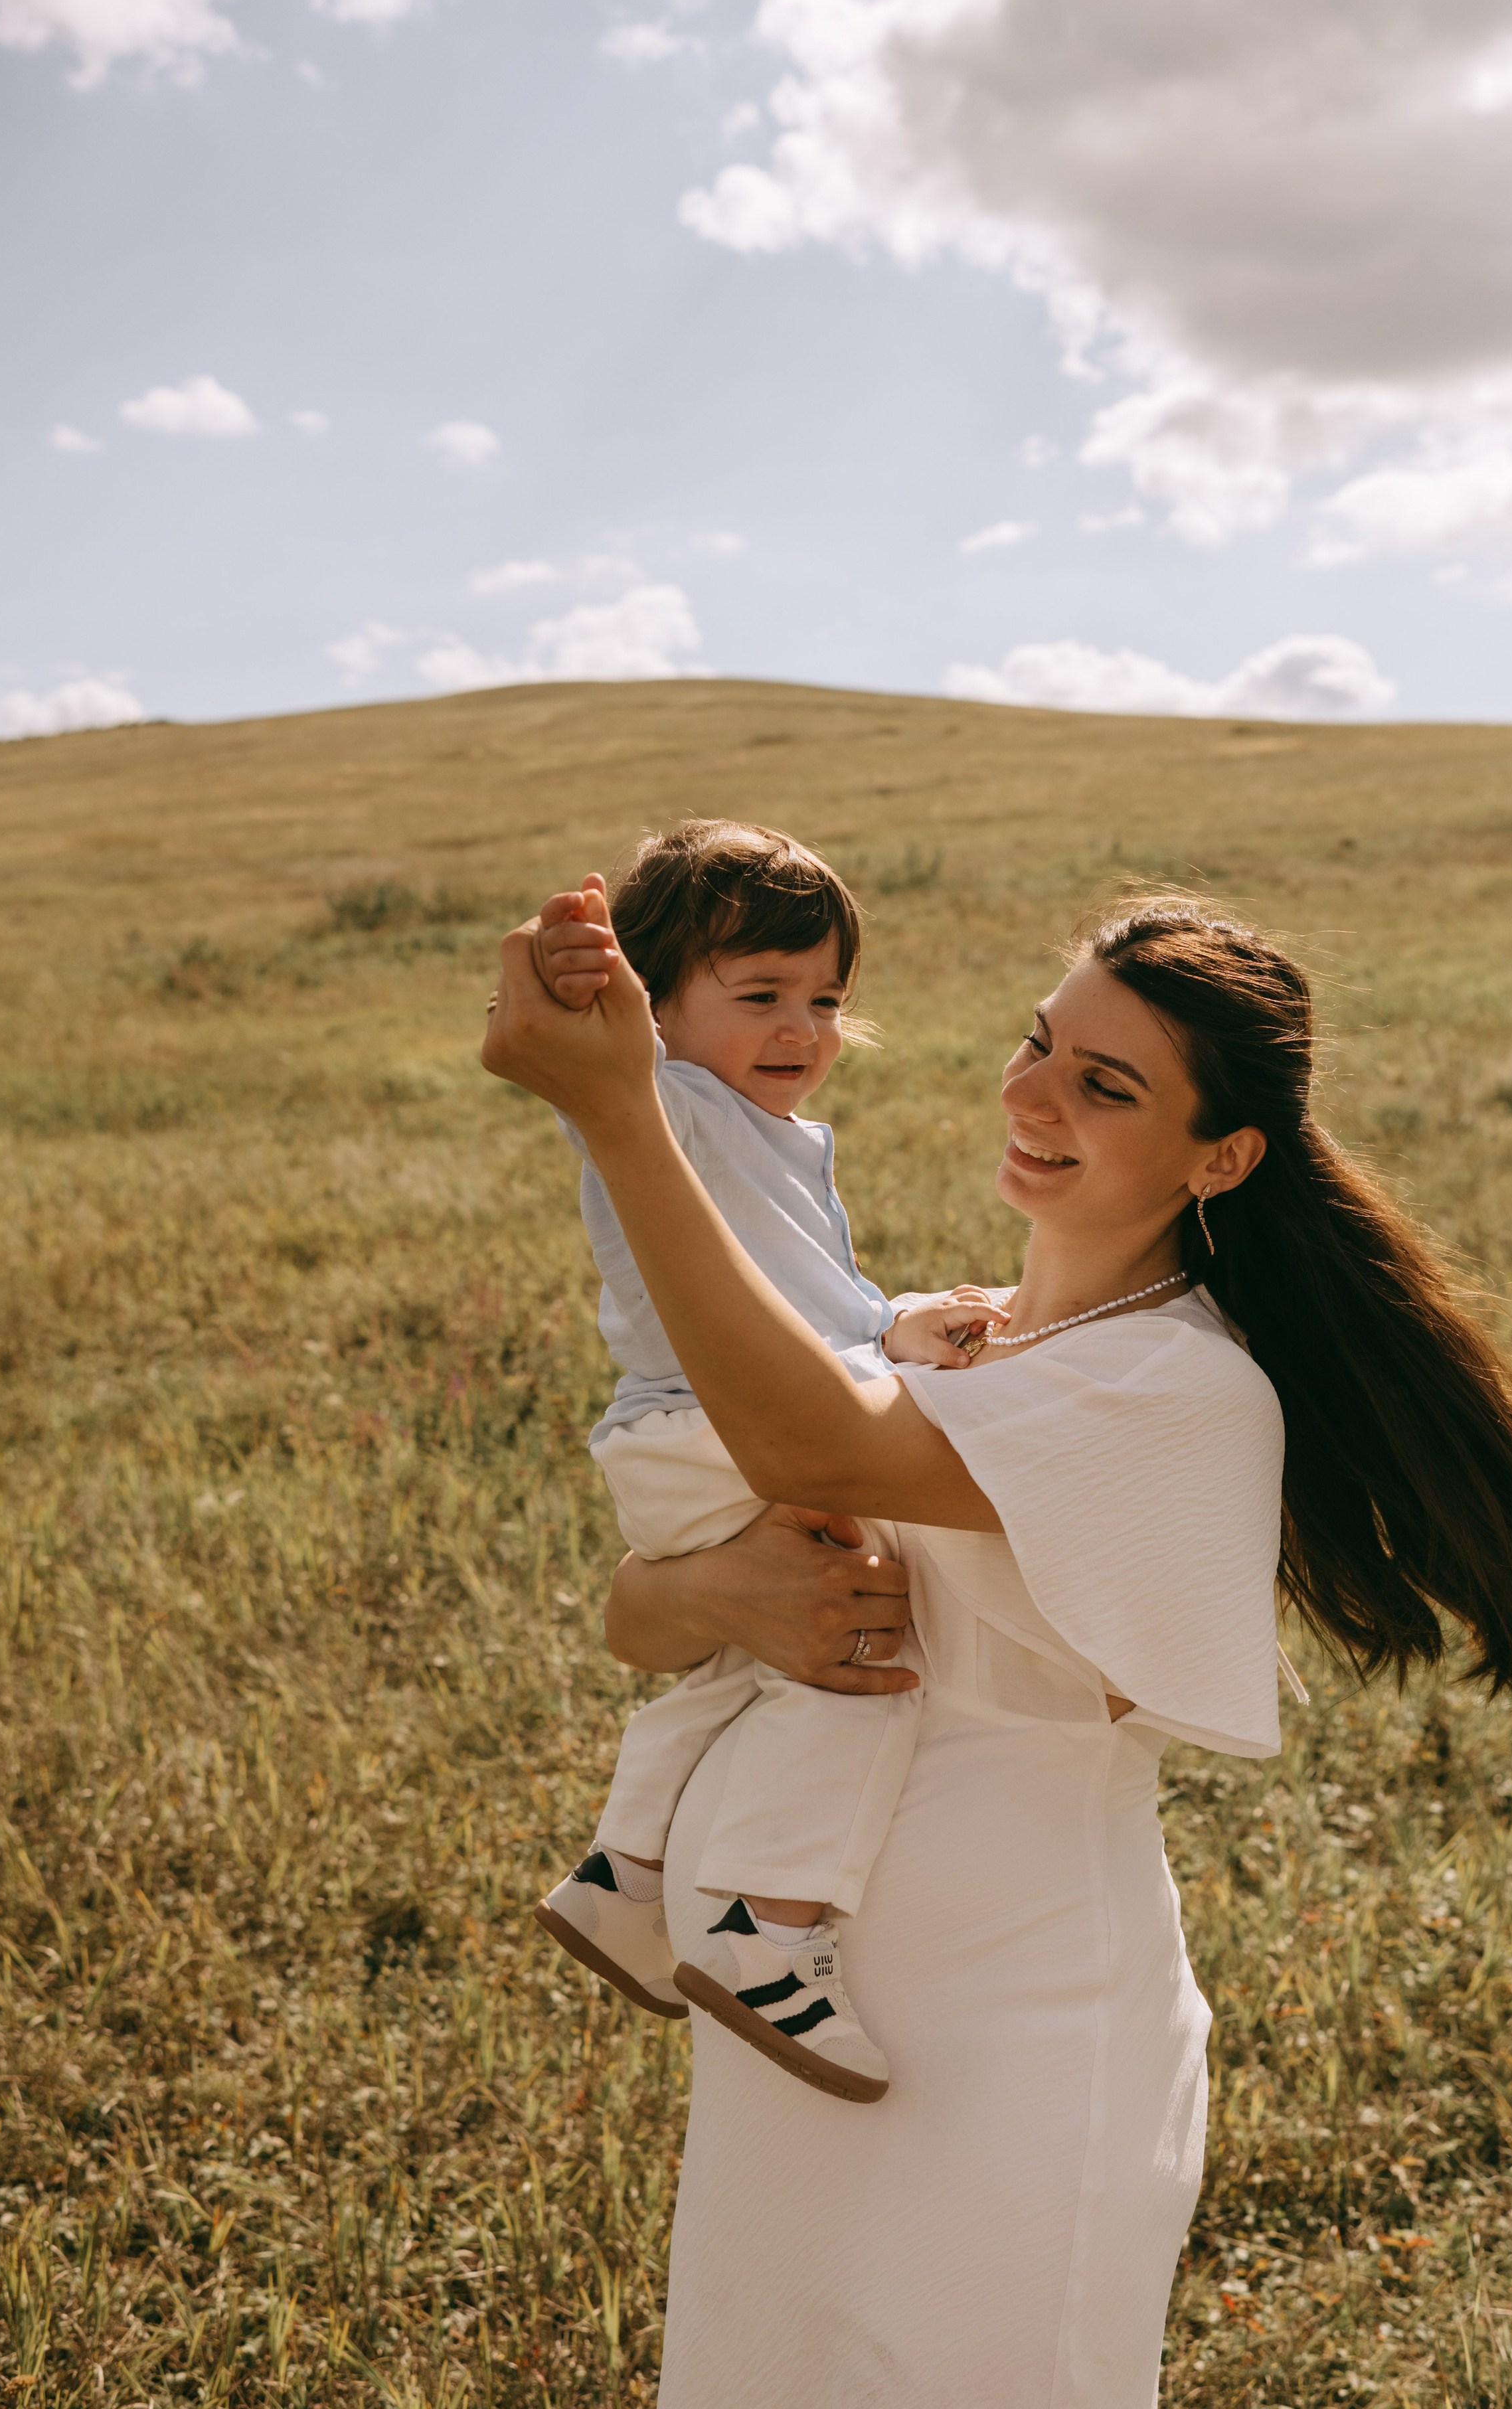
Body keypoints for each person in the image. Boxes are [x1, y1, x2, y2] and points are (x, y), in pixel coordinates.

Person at [482, 889, 1512, 2408]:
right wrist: (715, 1598)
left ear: (1219, 1159)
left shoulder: (1174, 1386)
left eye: (1106, 1084)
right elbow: (641, 1614)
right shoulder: (963, 1336)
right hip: (792, 2030)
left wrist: (625, 1114)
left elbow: (799, 1445)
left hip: (1003, 2032)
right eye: (1038, 1044)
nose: (1031, 1095)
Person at [527, 821, 1000, 2100]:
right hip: (711, 1425)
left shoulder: (771, 1132)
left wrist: (896, 1326)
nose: (803, 1028)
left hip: (683, 1434)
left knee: (757, 1650)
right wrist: (578, 971)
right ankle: (765, 1931)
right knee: (864, 1643)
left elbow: (804, 1306)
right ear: (654, 1012)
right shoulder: (670, 1102)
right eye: (762, 996)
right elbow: (589, 1043)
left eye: (827, 1000)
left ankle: (627, 1873)